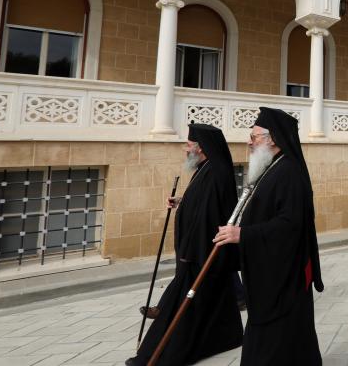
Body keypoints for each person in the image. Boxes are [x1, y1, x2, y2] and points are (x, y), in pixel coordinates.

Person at [213, 107, 323, 365]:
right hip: (269, 269)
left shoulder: (289, 172)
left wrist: (244, 234)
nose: (249, 142)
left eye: (254, 137)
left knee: (278, 336)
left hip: (283, 274)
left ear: (272, 139)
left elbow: (290, 225)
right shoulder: (272, 167)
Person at [129, 124, 243, 366]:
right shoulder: (205, 168)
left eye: (189, 145)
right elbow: (201, 204)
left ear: (201, 148)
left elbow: (210, 216)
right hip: (197, 250)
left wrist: (190, 251)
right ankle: (227, 338)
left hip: (201, 252)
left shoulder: (217, 171)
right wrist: (183, 200)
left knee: (186, 305)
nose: (185, 150)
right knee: (216, 299)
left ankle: (159, 354)